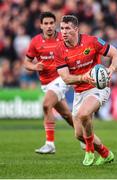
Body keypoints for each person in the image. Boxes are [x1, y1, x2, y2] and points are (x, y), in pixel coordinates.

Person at [55, 15, 117, 166]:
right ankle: (106, 154)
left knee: (83, 114)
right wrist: (84, 77)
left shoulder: (92, 41)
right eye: (62, 29)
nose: (64, 32)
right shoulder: (59, 50)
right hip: (80, 92)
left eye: (68, 28)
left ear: (76, 29)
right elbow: (66, 78)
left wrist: (111, 69)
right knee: (79, 134)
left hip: (98, 87)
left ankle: (89, 150)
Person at [24, 12, 74, 154]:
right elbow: (26, 62)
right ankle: (86, 138)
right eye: (46, 24)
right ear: (41, 26)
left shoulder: (63, 38)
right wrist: (34, 67)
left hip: (62, 78)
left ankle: (50, 144)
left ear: (55, 24)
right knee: (67, 115)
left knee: (46, 105)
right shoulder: (35, 42)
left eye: (51, 23)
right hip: (46, 83)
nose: (49, 26)